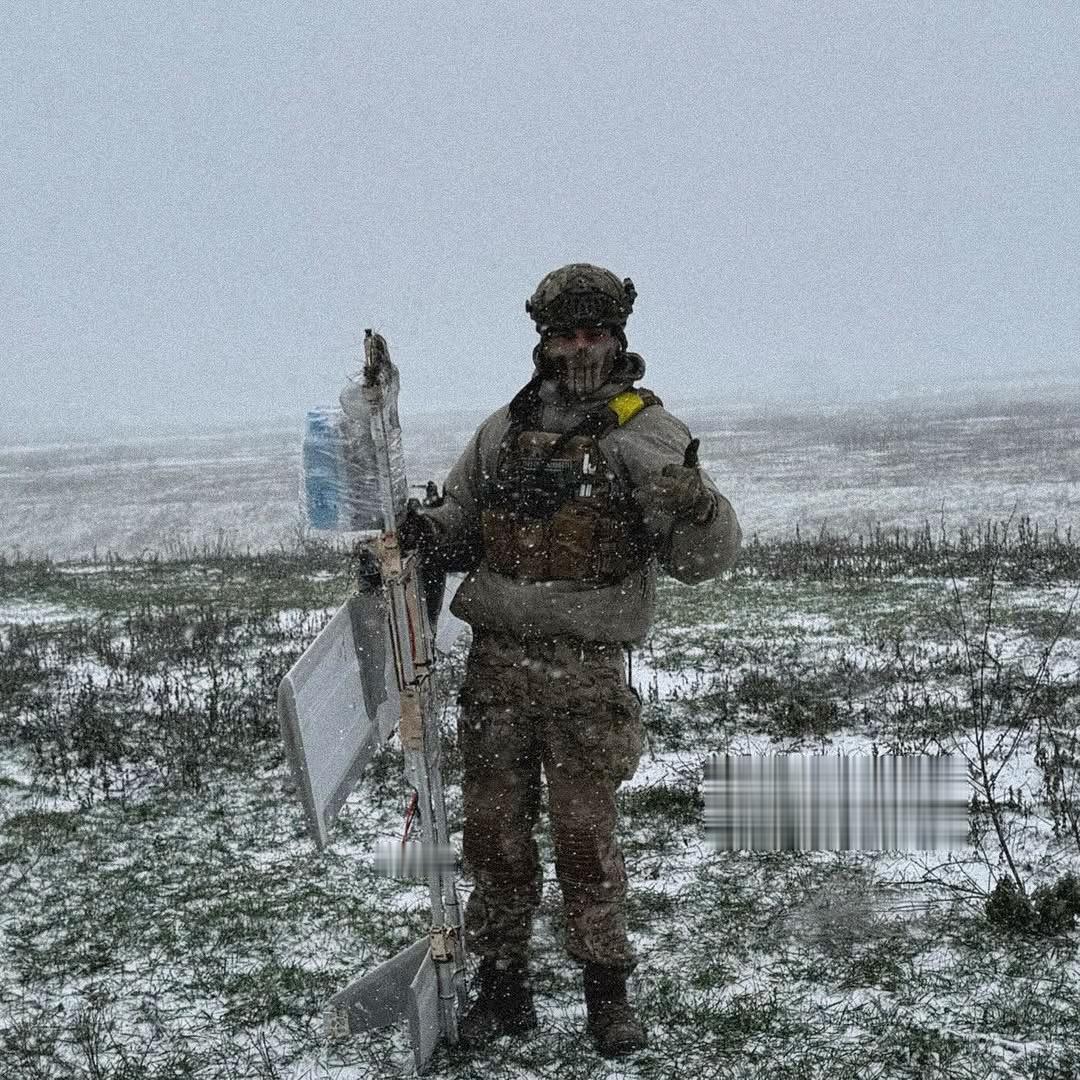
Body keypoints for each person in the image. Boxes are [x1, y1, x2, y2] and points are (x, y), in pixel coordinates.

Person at [403, 263, 741, 1057]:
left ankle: (606, 996)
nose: (580, 347)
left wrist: (697, 504)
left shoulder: (645, 432)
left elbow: (705, 556)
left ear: (618, 338)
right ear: (543, 341)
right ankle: (506, 989)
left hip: (586, 673)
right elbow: (459, 521)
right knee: (494, 837)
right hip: (497, 670)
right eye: (566, 334)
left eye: (594, 333)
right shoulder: (503, 431)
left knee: (585, 838)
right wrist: (421, 532)